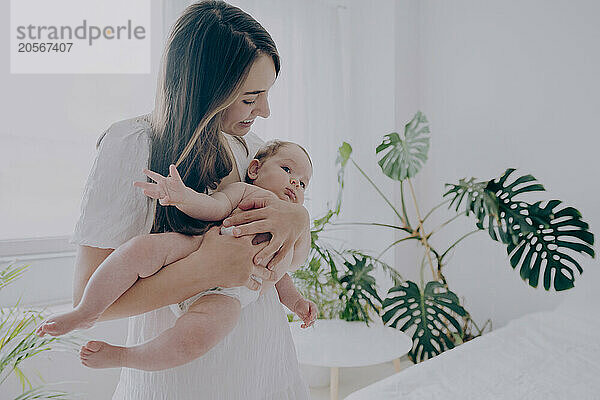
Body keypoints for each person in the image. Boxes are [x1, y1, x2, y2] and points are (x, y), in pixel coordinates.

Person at [70, 1, 312, 398]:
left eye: (266, 94)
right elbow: (91, 300)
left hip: (265, 364)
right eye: (251, 98)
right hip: (183, 376)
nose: (265, 111)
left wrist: (297, 222)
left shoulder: (250, 148)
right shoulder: (133, 145)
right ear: (206, 89)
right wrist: (206, 268)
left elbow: (283, 263)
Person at [38, 141, 317, 371]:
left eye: (303, 184)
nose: (295, 182)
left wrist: (297, 302)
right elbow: (214, 206)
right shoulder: (247, 191)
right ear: (255, 168)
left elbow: (280, 275)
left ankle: (124, 357)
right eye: (287, 169)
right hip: (197, 248)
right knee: (141, 248)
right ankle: (86, 311)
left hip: (230, 295)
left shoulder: (292, 226)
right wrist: (181, 196)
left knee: (197, 338)